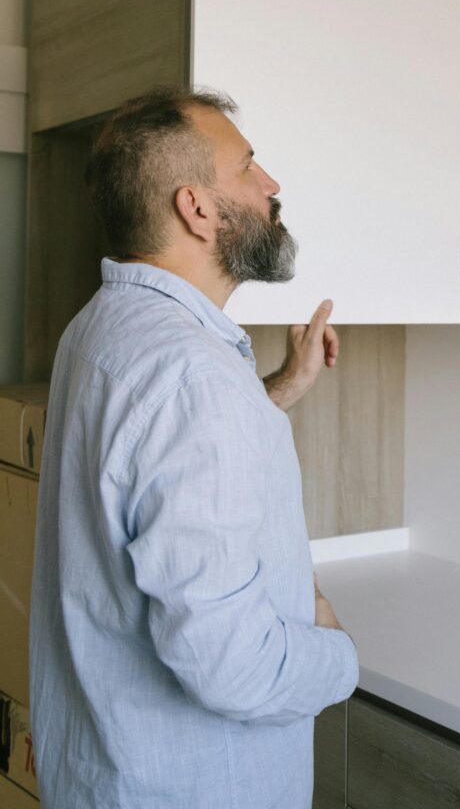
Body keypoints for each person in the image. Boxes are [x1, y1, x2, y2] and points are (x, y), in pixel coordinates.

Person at [29, 87, 358, 809]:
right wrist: (338, 656)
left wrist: (275, 391)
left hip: (108, 773)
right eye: (248, 167)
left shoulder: (101, 328)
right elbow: (230, 666)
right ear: (198, 209)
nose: (271, 185)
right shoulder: (192, 379)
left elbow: (149, 466)